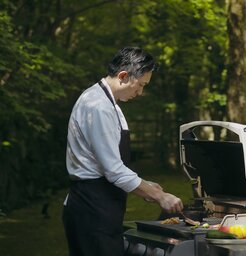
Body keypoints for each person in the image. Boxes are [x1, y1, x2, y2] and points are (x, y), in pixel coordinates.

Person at [62, 46, 183, 256]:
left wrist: (144, 185)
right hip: (91, 210)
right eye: (141, 85)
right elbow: (114, 170)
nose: (140, 92)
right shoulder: (98, 106)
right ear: (124, 76)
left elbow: (108, 164)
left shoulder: (111, 104)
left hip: (101, 207)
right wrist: (158, 196)